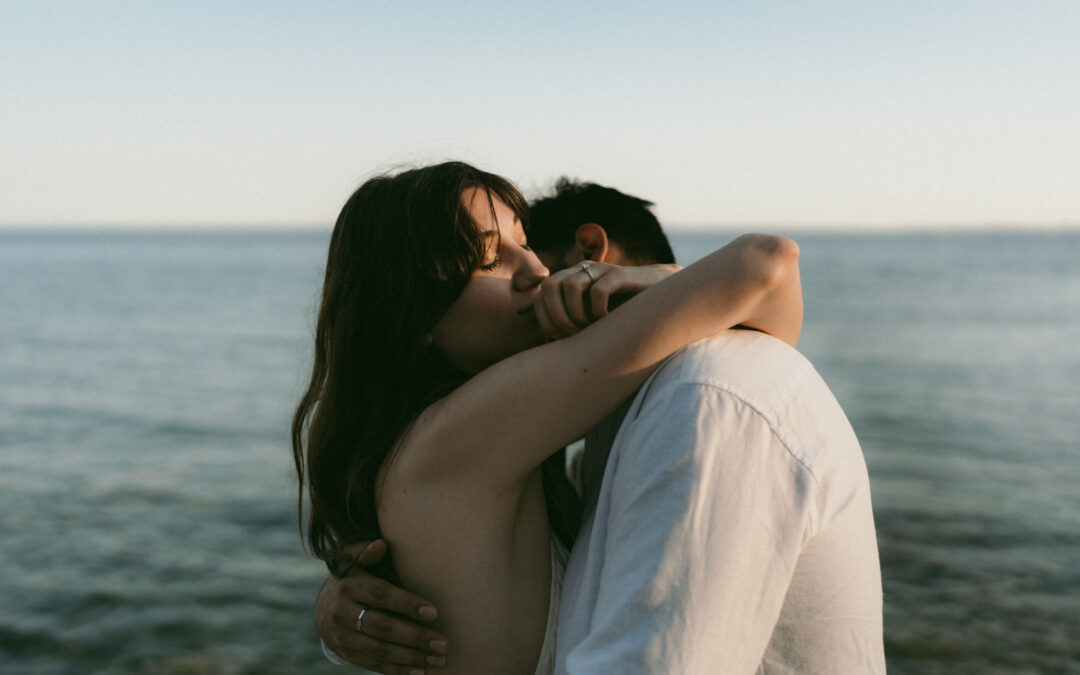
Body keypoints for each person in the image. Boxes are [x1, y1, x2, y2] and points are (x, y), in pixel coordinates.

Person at [293, 162, 804, 674]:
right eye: (490, 257)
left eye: (525, 243)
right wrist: (646, 278)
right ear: (409, 311)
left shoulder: (504, 457)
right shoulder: (456, 435)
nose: (537, 272)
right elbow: (767, 265)